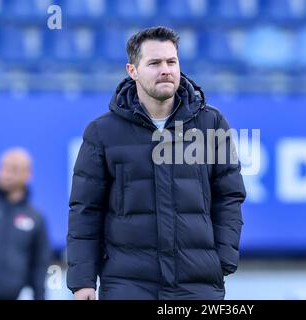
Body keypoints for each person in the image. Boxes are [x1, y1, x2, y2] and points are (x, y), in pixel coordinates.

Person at [67, 26, 246, 300]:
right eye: (154, 63)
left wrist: (221, 259)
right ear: (132, 70)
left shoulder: (212, 124)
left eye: (171, 62)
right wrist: (83, 281)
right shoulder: (101, 133)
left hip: (197, 285)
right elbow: (86, 211)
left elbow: (229, 197)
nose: (166, 69)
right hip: (127, 286)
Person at [0, 148, 51, 300]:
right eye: (3, 167)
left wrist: (40, 296)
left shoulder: (35, 217)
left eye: (14, 169)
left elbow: (39, 264)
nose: (6, 173)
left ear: (28, 175)